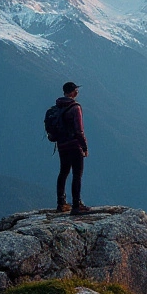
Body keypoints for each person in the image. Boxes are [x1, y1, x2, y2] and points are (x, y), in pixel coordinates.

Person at [54, 82, 91, 215]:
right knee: (77, 174)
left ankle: (61, 203)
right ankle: (76, 205)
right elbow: (79, 130)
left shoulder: (58, 106)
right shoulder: (75, 108)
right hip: (74, 145)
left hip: (62, 145)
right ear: (72, 92)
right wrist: (84, 147)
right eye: (76, 90)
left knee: (63, 172)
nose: (78, 93)